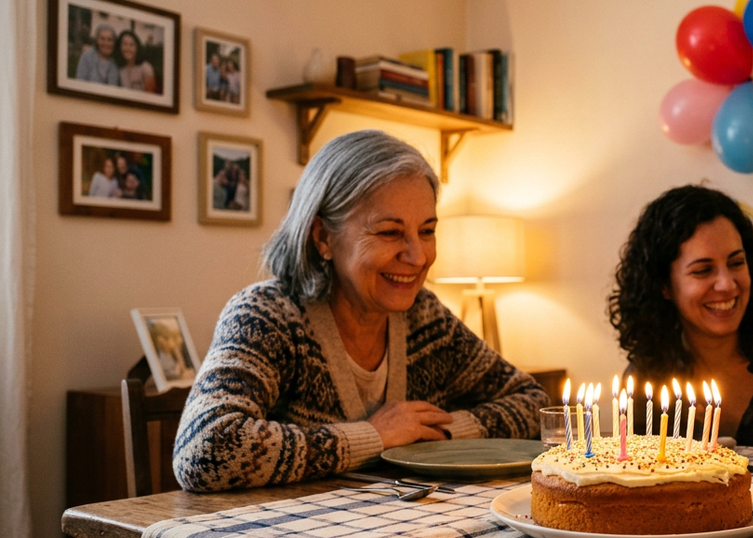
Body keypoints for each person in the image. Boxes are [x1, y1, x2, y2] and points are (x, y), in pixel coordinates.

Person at [173, 129, 546, 492]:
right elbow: (205, 450)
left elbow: (534, 405)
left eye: (427, 231)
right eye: (389, 233)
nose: (417, 257)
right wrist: (374, 436)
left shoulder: (424, 318)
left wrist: (439, 433)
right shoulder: (267, 315)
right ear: (323, 237)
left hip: (391, 535)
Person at [607, 185, 753, 448]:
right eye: (703, 270)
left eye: (736, 263)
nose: (726, 284)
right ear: (664, 285)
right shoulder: (647, 381)